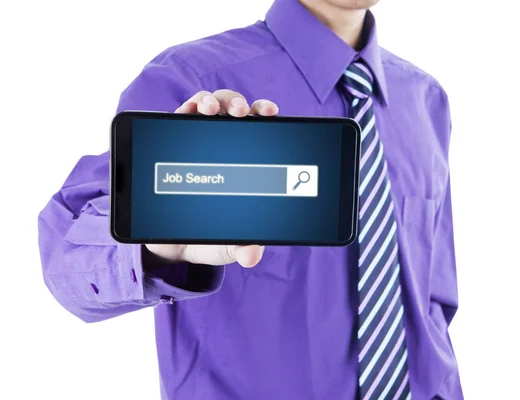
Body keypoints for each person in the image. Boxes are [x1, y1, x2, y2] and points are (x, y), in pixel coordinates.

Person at [38, 0, 461, 398]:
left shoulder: (425, 100)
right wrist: (153, 246)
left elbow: (431, 303)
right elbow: (67, 255)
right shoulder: (195, 79)